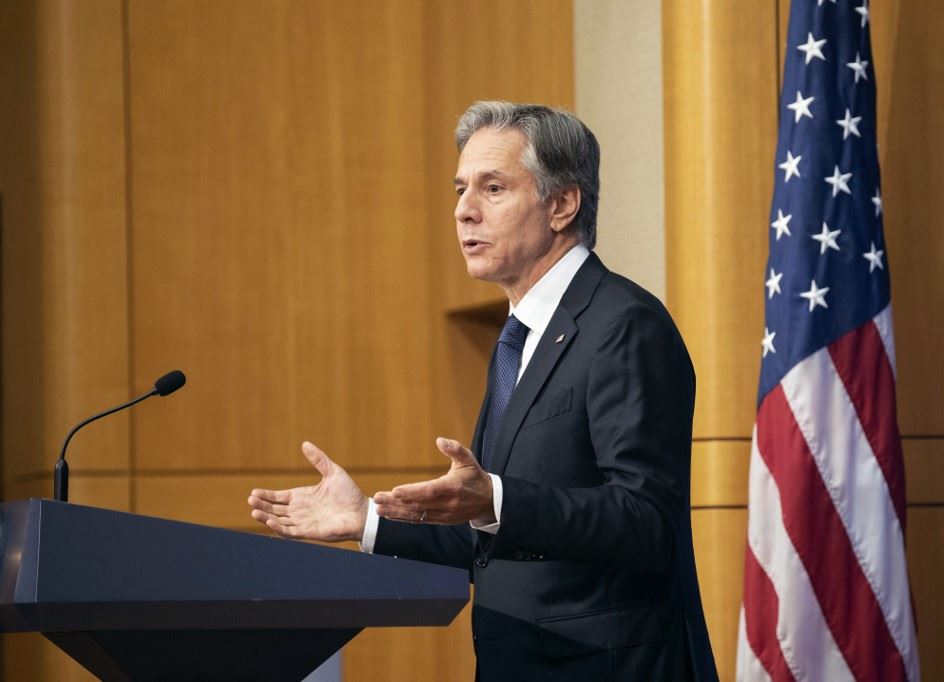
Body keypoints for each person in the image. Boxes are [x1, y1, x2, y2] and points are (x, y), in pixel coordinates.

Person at [248, 101, 717, 680]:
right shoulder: (518, 339)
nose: (463, 210)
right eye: (460, 189)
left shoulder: (623, 325)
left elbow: (648, 523)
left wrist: (496, 499)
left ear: (562, 205)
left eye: (492, 188)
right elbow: (497, 538)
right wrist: (366, 519)